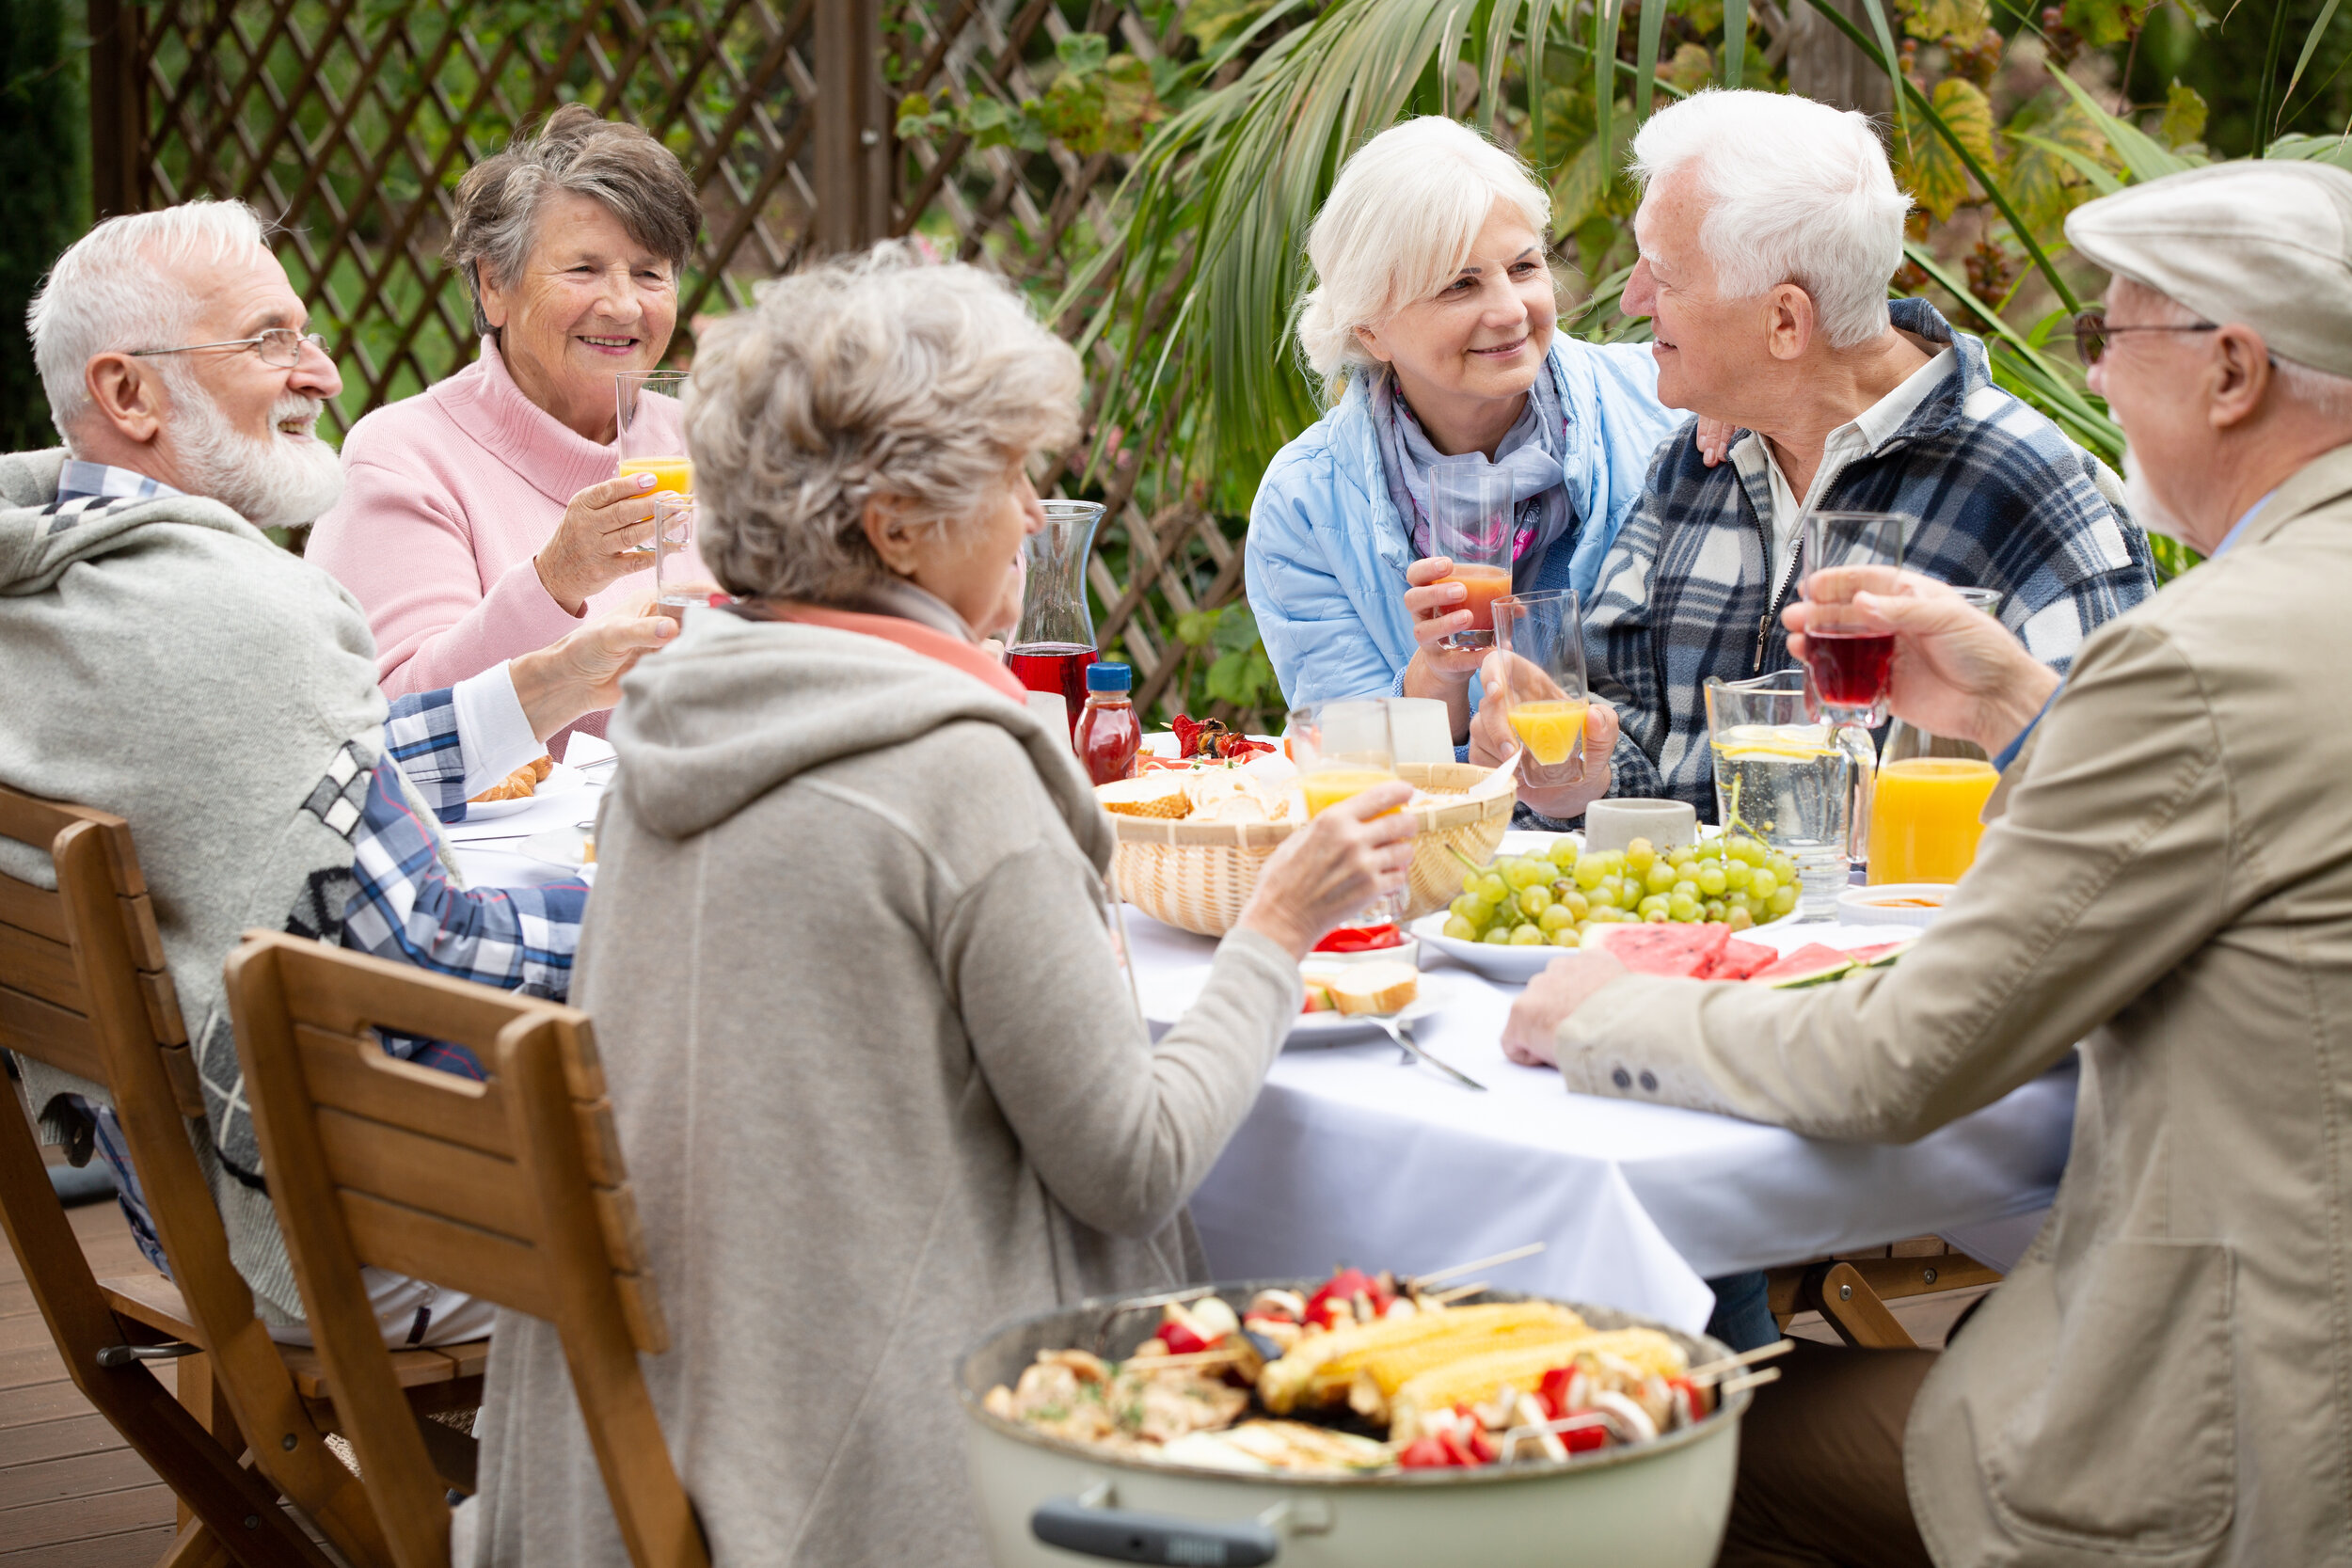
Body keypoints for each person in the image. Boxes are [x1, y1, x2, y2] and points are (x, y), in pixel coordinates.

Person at [452, 245, 1416, 1567]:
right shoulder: (954, 766)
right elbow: (1131, 1165)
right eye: (1008, 475)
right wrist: (1278, 924)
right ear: (894, 525)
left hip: (654, 1453)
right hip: (904, 1472)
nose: (1033, 515)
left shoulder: (685, 720)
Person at [1500, 160, 2352, 1566]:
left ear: (2233, 374)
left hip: (2251, 1428)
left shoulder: (2203, 654)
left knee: (1655, 1439)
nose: (2093, 375)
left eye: (2110, 336)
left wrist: (1600, 1008)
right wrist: (2022, 708)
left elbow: (1900, 1057)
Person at [8, 199, 674, 1347]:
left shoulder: (66, 580)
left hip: (177, 1191)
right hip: (339, 1227)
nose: (320, 368)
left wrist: (544, 688)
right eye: (268, 338)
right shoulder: (239, 609)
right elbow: (432, 940)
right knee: (825, 1163)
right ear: (129, 394)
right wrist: (687, 898)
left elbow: (296, 776)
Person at [1481, 88, 2153, 824]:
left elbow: (2111, 802)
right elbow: (1626, 742)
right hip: (1692, 927)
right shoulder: (1695, 465)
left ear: (1785, 321)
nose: (1635, 296)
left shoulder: (2026, 487)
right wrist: (1577, 776)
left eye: (1664, 274)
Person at [1246, 116, 1697, 750]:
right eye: (1460, 284)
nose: (1511, 310)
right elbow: (1356, 770)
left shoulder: (1669, 411)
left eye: (1523, 266)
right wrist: (1436, 675)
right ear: (1370, 327)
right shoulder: (1304, 508)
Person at [305, 105, 703, 751]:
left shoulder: (706, 444)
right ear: (495, 285)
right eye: (584, 269)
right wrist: (555, 580)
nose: (625, 304)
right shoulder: (403, 457)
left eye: (651, 272)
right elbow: (396, 725)